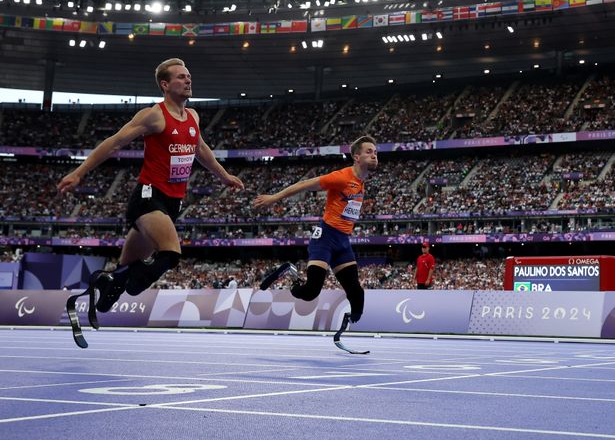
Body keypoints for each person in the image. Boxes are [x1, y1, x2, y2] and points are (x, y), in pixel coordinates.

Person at [57, 58, 244, 313]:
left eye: (188, 76)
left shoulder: (193, 116)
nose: (188, 80)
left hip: (173, 202)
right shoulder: (154, 115)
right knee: (169, 255)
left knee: (127, 265)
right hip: (148, 197)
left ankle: (109, 286)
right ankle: (120, 284)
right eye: (181, 77)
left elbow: (200, 149)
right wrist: (79, 172)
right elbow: (114, 142)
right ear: (165, 85)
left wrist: (223, 176)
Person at [254, 136, 378, 331]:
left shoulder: (361, 181)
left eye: (375, 152)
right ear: (356, 157)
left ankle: (346, 327)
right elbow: (304, 184)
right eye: (369, 152)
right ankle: (292, 275)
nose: (374, 155)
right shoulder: (341, 177)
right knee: (311, 291)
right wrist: (273, 198)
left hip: (343, 242)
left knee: (357, 295)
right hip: (325, 238)